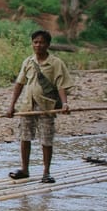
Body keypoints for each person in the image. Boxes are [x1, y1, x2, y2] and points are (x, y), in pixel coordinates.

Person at [5, 29, 72, 183]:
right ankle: (24, 169)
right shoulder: (28, 62)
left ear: (48, 45)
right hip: (27, 106)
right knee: (25, 137)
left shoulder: (55, 63)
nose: (38, 45)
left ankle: (46, 172)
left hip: (46, 106)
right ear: (32, 44)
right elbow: (19, 84)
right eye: (35, 42)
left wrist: (65, 104)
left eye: (41, 42)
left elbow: (61, 85)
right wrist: (11, 106)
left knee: (46, 139)